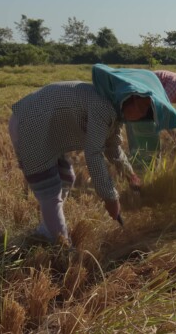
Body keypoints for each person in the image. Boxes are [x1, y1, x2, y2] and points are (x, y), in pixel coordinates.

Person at [8, 82, 149, 243]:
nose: (143, 114)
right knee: (49, 189)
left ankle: (47, 228)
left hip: (48, 130)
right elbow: (93, 154)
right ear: (130, 100)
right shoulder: (104, 108)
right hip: (30, 124)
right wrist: (110, 197)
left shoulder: (115, 109)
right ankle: (59, 243)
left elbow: (113, 147)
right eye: (142, 108)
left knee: (66, 178)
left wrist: (130, 175)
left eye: (146, 110)